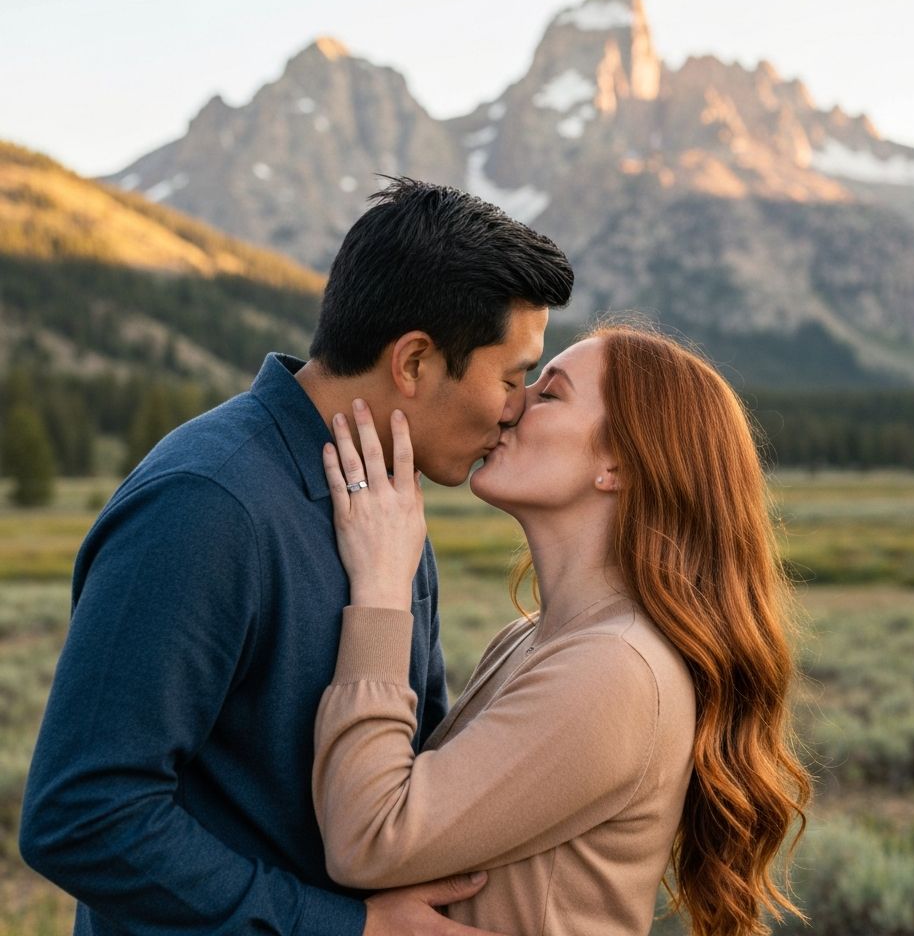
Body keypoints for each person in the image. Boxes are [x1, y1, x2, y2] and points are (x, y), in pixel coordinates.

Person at [19, 178, 574, 936]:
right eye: (511, 378)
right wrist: (346, 927)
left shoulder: (387, 505)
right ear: (413, 362)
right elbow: (83, 815)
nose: (518, 408)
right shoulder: (206, 505)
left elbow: (412, 769)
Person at [313, 324, 812, 936]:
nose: (511, 404)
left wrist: (384, 590)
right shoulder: (529, 640)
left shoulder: (615, 671)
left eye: (549, 395)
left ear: (618, 464)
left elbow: (368, 838)